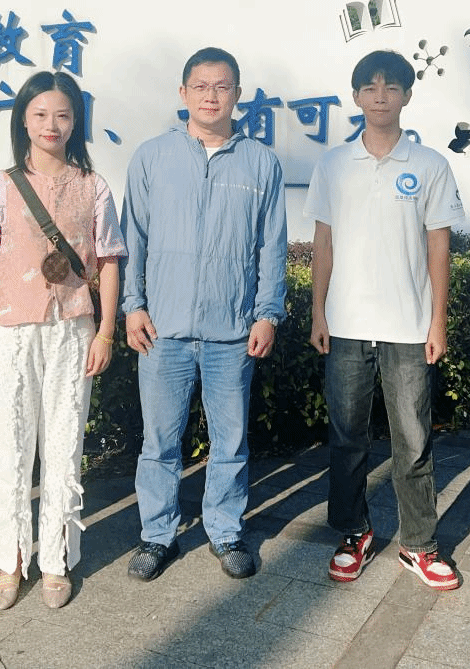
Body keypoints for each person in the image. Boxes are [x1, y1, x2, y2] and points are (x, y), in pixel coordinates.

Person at [120, 47, 287, 582]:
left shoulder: (260, 162)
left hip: (231, 331)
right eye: (200, 86)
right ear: (183, 92)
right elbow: (132, 239)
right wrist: (132, 306)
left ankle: (226, 530)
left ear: (238, 94)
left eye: (222, 86)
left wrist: (268, 313)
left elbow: (271, 246)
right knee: (159, 443)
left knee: (230, 442)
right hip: (162, 331)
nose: (211, 96)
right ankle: (157, 535)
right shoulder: (152, 157)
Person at [0, 71, 127, 611]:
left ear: (76, 121)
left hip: (72, 328)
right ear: (23, 120)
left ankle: (56, 559)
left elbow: (108, 261)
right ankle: (9, 560)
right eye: (39, 114)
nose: (51, 125)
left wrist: (105, 331)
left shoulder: (93, 186)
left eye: (62, 114)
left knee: (64, 445)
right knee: (9, 445)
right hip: (10, 331)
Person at [305, 50, 465, 590]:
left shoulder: (430, 165)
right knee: (347, 439)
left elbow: (438, 247)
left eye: (391, 87)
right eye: (370, 88)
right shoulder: (333, 165)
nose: (380, 97)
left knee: (413, 441)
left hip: (408, 327)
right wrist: (318, 311)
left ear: (407, 96)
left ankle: (419, 544)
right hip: (346, 325)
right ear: (356, 97)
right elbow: (323, 244)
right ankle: (354, 532)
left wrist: (437, 322)